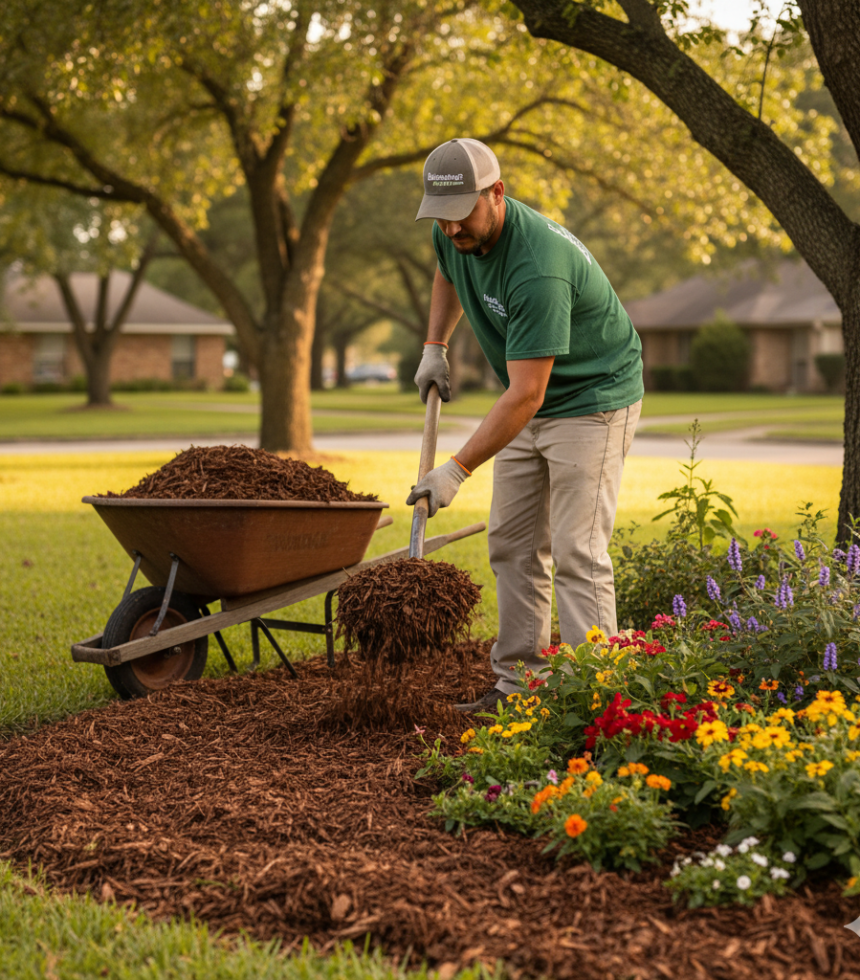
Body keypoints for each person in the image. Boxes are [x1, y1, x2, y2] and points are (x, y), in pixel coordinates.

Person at [406, 138, 644, 713]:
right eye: (443, 217)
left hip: (592, 398)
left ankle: (598, 697)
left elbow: (528, 394)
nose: (452, 229)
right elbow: (447, 268)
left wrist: (455, 471)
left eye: (462, 215)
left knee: (576, 550)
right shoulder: (452, 227)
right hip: (530, 399)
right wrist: (435, 345)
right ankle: (521, 688)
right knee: (512, 543)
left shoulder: (538, 266)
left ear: (498, 194)